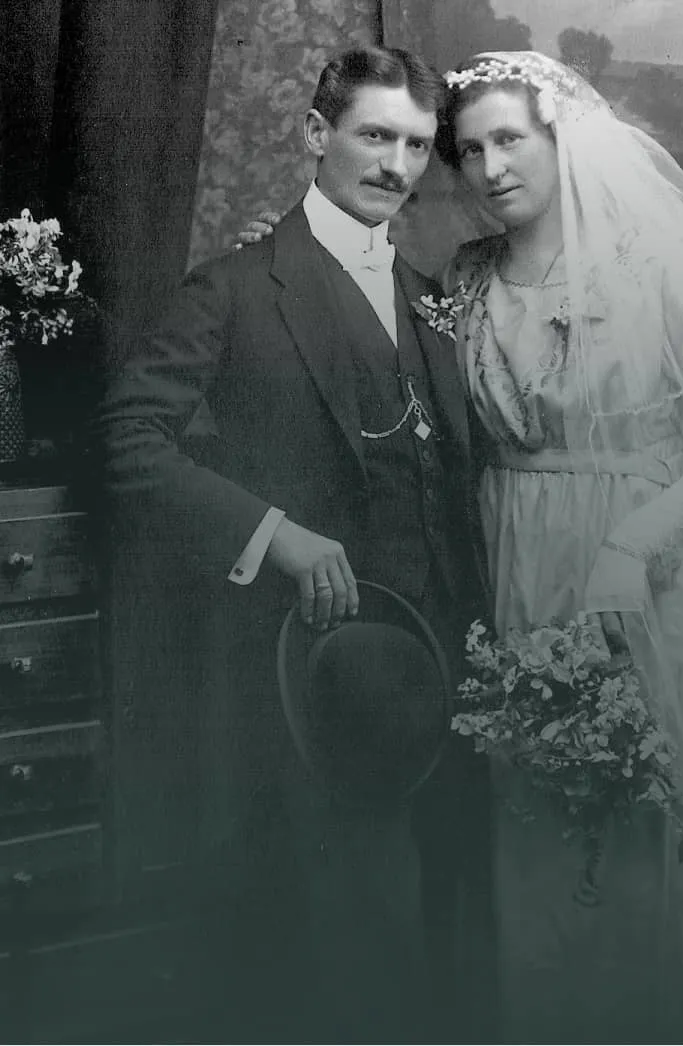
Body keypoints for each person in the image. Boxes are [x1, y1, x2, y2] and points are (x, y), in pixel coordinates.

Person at [244, 48, 683, 1042]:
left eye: (509, 140)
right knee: (544, 842)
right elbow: (362, 325)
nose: (487, 170)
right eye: (467, 151)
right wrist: (283, 256)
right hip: (517, 579)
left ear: (561, 139)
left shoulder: (653, 266)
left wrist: (628, 548)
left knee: (649, 826)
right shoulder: (464, 280)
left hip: (642, 580)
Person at [96, 45, 497, 1043]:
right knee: (332, 961)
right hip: (305, 681)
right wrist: (270, 533)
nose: (396, 165)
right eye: (373, 136)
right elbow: (127, 439)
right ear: (316, 136)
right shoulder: (233, 288)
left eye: (413, 145)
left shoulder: (427, 294)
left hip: (442, 663)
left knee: (440, 945)